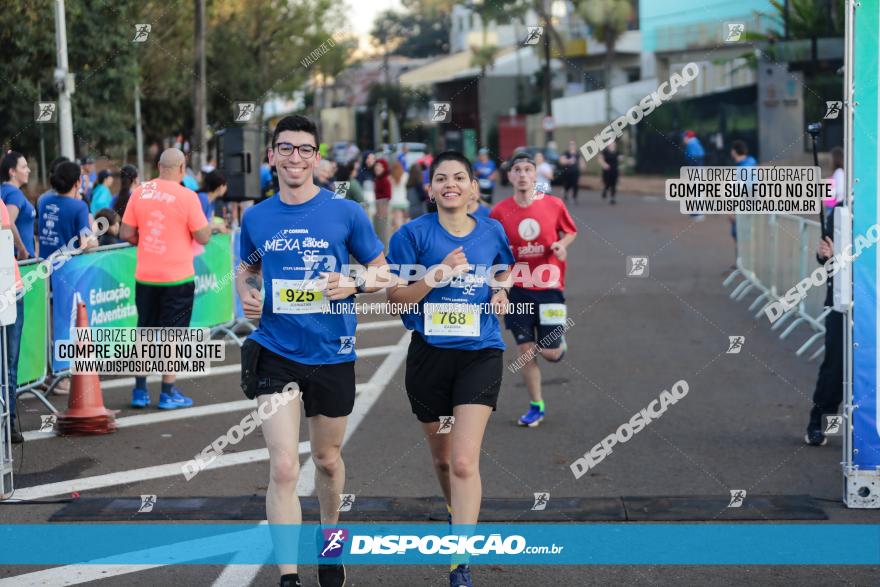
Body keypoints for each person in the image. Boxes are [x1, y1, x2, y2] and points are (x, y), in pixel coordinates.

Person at [236, 115, 387, 587]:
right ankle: (287, 578)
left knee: (325, 460)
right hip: (275, 349)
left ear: (317, 157)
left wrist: (356, 281)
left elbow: (385, 273)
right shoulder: (256, 217)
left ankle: (331, 544)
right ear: (272, 156)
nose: (295, 157)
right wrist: (248, 294)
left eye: (305, 149)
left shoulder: (345, 212)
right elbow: (246, 270)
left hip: (333, 352)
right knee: (283, 466)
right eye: (286, 148)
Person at [387, 151, 513, 587]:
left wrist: (500, 291)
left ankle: (460, 560)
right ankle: (454, 511)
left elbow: (505, 269)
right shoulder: (412, 235)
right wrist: (438, 274)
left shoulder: (493, 230)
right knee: (443, 463)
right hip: (429, 359)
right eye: (441, 178)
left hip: (481, 353)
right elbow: (397, 299)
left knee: (463, 462)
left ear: (474, 187)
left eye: (460, 177)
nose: (451, 184)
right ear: (431, 189)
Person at [490, 152, 577, 427]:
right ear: (511, 176)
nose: (524, 174)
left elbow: (570, 231)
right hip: (517, 289)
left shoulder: (553, 204)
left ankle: (557, 343)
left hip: (549, 286)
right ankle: (536, 405)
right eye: (518, 170)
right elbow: (494, 248)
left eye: (529, 169)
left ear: (536, 174)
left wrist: (562, 246)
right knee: (526, 350)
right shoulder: (500, 212)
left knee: (550, 354)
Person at [120, 148, 211, 410]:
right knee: (172, 336)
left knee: (145, 332)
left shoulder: (141, 192)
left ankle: (139, 390)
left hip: (146, 275)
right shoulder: (187, 196)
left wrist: (145, 241)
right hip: (177, 277)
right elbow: (203, 237)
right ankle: (168, 393)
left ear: (159, 166)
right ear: (182, 168)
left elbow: (126, 231)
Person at [805, 154, 844, 447]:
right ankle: (821, 423)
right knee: (836, 366)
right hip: (843, 302)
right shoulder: (841, 211)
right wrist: (824, 254)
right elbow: (824, 255)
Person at [0, 196, 24, 443]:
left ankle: (9, 423)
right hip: (9, 290)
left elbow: (5, 242)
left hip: (10, 288)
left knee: (9, 363)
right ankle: (8, 424)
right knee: (9, 363)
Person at [38, 161, 97, 259]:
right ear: (78, 183)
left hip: (45, 267)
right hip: (69, 267)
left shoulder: (44, 201)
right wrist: (95, 239)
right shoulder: (80, 206)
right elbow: (85, 243)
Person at [0, 152, 36, 260]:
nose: (28, 170)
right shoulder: (14, 193)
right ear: (12, 172)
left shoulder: (3, 189)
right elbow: (8, 223)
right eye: (24, 167)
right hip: (20, 259)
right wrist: (22, 249)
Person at [729, 140, 757, 265]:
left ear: (735, 151)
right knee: (742, 233)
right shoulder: (749, 164)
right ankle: (743, 262)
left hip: (744, 206)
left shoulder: (745, 168)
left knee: (741, 233)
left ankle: (744, 263)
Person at [373, 158, 391, 247]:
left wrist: (381, 214)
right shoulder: (377, 180)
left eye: (380, 166)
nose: (377, 168)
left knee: (383, 236)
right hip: (377, 213)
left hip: (382, 214)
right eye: (376, 166)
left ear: (384, 168)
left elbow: (387, 198)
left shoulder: (385, 180)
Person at [389, 160, 409, 231]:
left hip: (394, 202)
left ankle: (399, 234)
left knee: (396, 221)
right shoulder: (406, 176)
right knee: (403, 220)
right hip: (404, 201)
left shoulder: (390, 178)